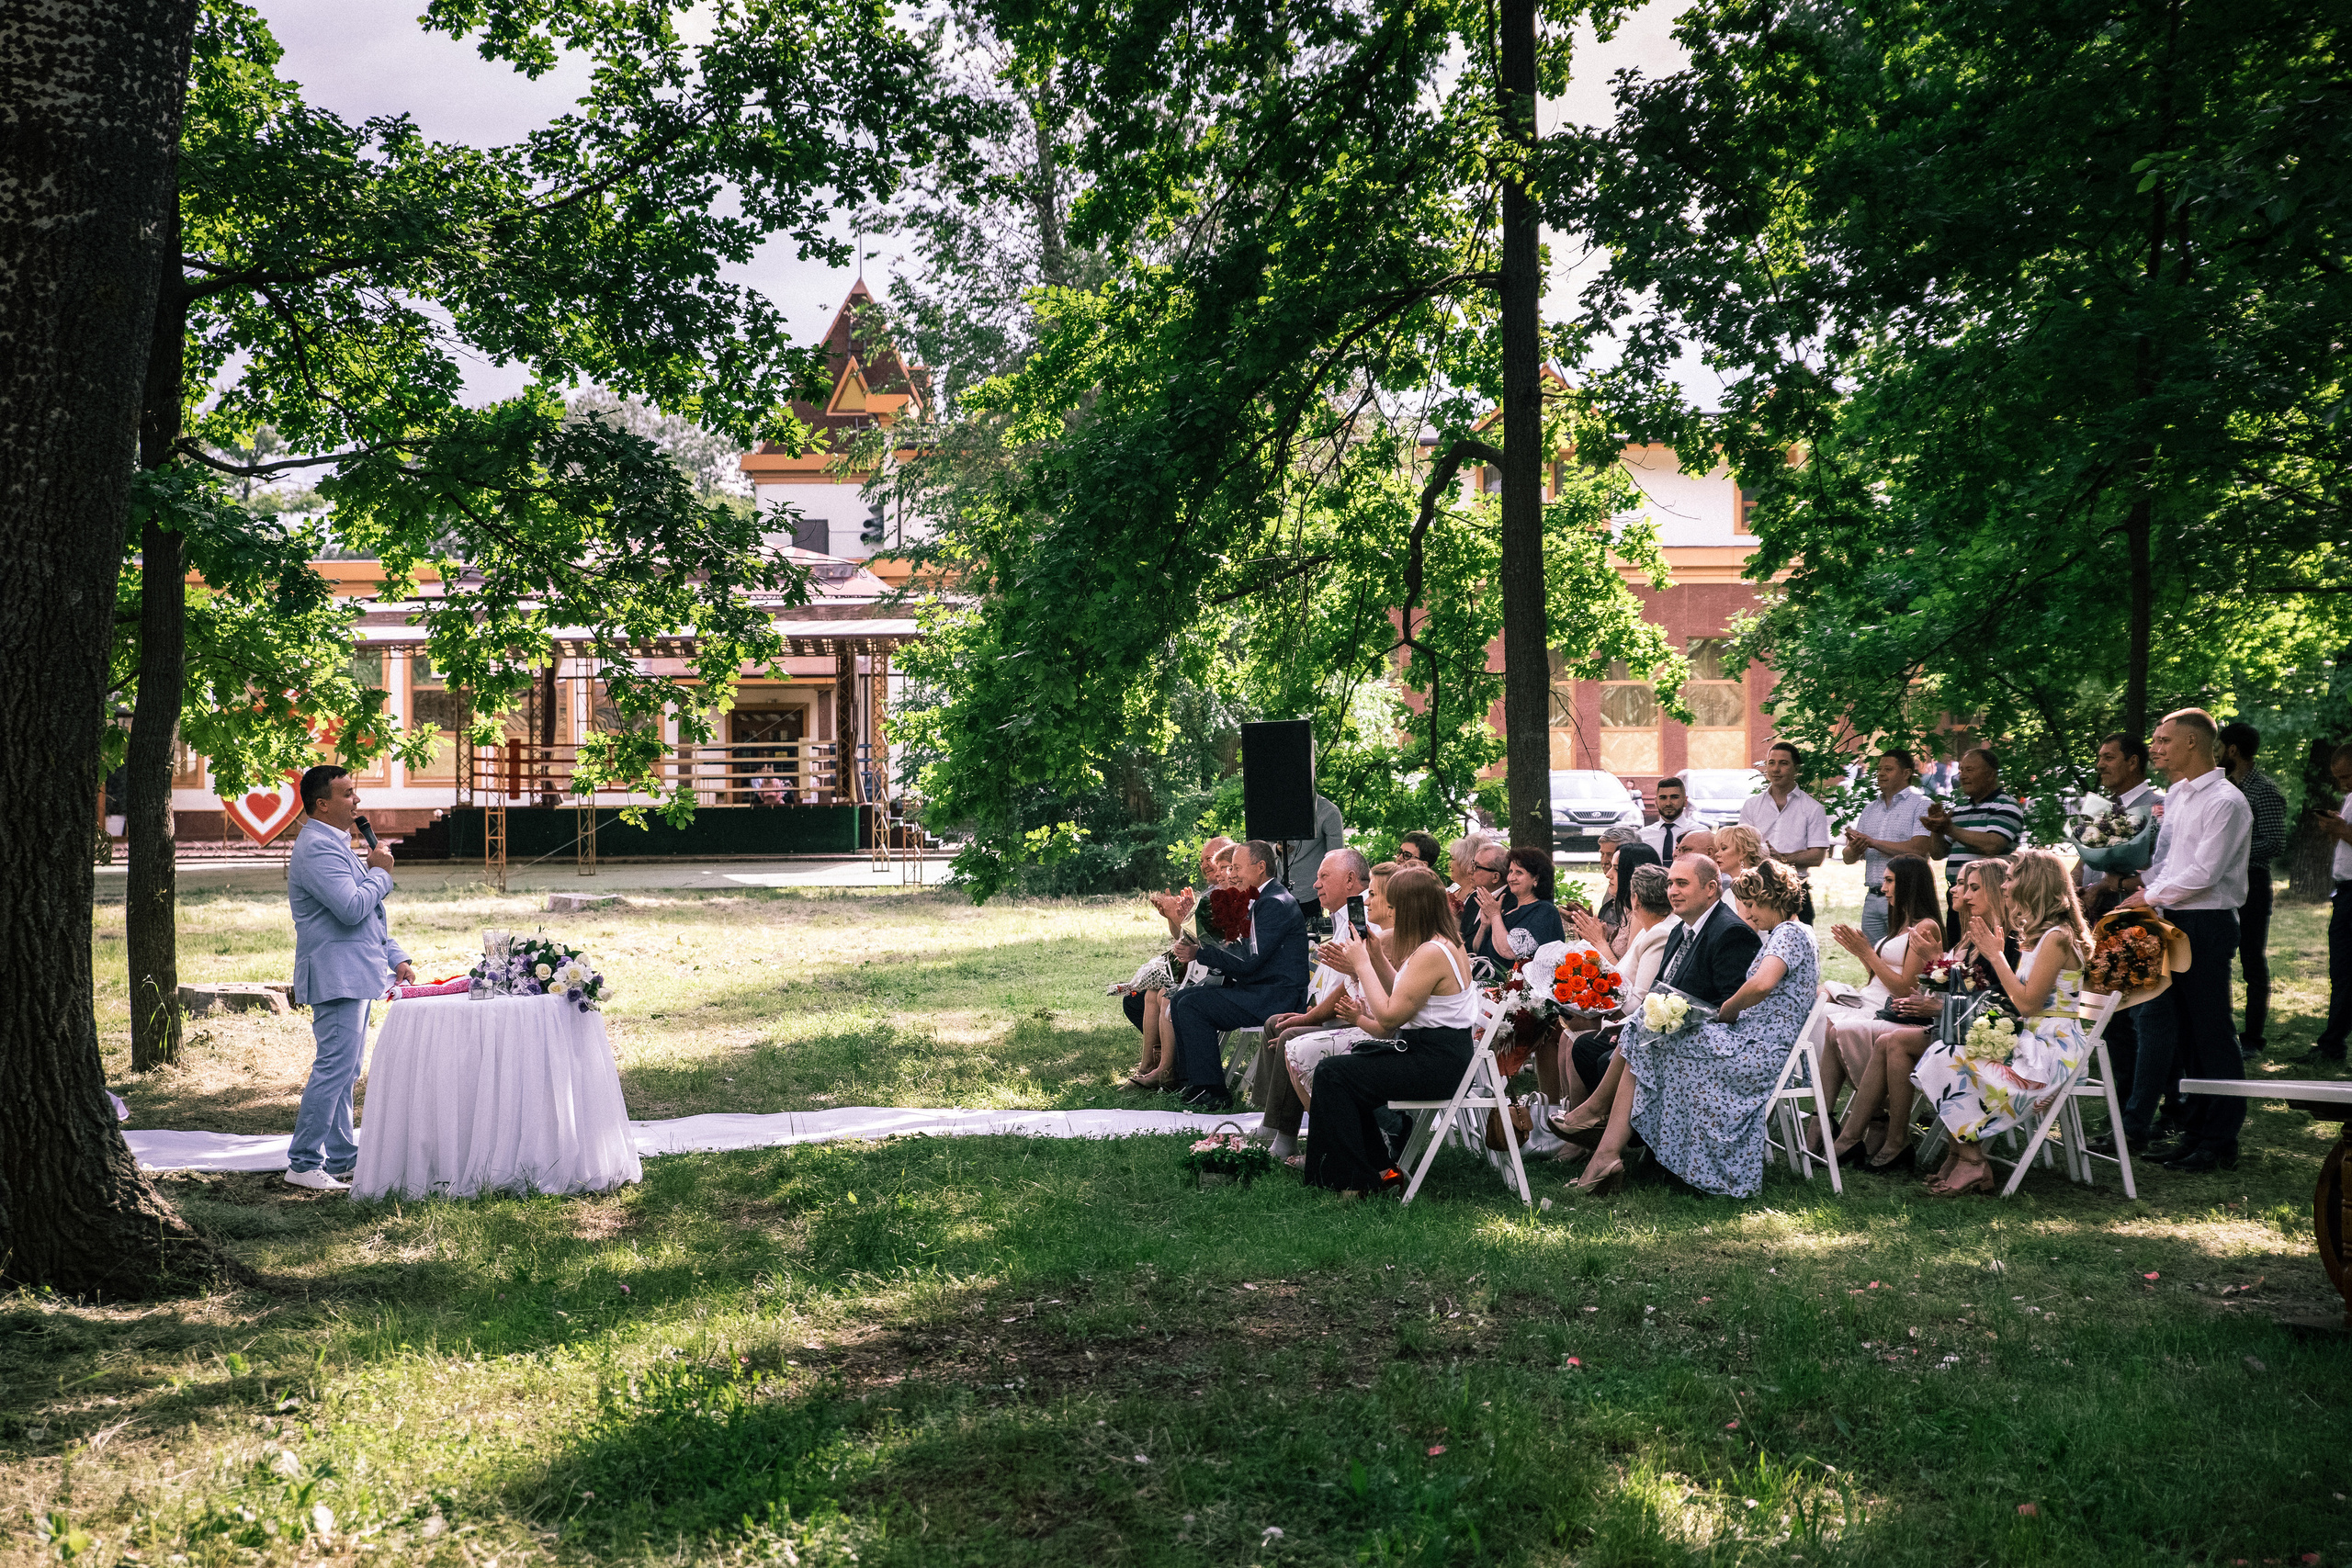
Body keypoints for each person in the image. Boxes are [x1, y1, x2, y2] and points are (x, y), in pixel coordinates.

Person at [1569, 859, 1818, 1197]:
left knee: (1649, 1033)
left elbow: (1762, 984)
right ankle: (1606, 1149)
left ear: (1772, 899)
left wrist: (1728, 1009)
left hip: (1757, 1053)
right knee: (1649, 1031)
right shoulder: (1795, 933)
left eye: (1751, 903)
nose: (1748, 913)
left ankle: (1602, 1140)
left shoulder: (1789, 933)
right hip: (1751, 1043)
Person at [1548, 852, 1764, 1151]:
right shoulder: (1681, 929)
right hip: (1669, 1032)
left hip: (1710, 1043)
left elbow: (1734, 1008)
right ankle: (1606, 1135)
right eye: (1671, 883)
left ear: (1711, 888)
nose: (1672, 891)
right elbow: (1661, 992)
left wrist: (1655, 1027)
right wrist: (1632, 1027)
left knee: (1608, 1054)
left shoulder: (1731, 933)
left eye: (1682, 884)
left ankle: (1614, 1132)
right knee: (1588, 1048)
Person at [2117, 708, 2255, 1172]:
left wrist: (2148, 895)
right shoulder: (2176, 794)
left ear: (2192, 743)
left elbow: (2204, 872)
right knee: (2183, 1032)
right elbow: (2168, 857)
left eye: (2162, 740)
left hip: (2206, 923)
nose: (2153, 748)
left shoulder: (2225, 800)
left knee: (2211, 1030)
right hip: (2169, 917)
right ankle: (2193, 1130)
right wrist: (2141, 881)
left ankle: (2220, 1139)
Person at [1912, 849, 2095, 1196]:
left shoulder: (2057, 937)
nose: (2005, 885)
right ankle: (1963, 1155)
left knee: (1946, 1057)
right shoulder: (2039, 936)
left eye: (2011, 878)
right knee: (1943, 1052)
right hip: (2033, 1037)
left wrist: (1997, 957)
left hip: (2051, 1050)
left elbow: (2026, 1004)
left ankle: (1971, 1160)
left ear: (2032, 883)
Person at [1303, 868, 1481, 1195]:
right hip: (1434, 1054)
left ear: (1412, 908)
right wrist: (1374, 956)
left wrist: (1361, 965)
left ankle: (1356, 1180)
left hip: (1437, 1063)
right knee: (1342, 1071)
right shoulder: (1439, 943)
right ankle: (1376, 1170)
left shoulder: (1431, 953)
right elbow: (1400, 996)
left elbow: (1387, 1018)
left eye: (1396, 906)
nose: (1392, 913)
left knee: (1333, 1073)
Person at [284, 765, 414, 1192]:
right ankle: (303, 1162)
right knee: (333, 1068)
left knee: (346, 1070)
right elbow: (351, 908)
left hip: (358, 972)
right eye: (347, 794)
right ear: (322, 804)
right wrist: (380, 872)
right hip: (335, 975)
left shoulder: (336, 843)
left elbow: (368, 921)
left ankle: (343, 1158)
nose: (356, 801)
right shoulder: (316, 848)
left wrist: (396, 958)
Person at [1250, 850, 1379, 1159]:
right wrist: (1309, 1013)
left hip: (1358, 1018)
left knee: (1291, 1034)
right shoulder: (1342, 916)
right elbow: (1334, 982)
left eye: (1324, 876)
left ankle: (1284, 1138)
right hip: (1337, 1013)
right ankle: (1272, 1122)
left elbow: (1349, 990)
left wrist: (1309, 1020)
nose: (1316, 884)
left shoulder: (1359, 918)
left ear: (1349, 880)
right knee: (1274, 1023)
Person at [1820, 854, 1945, 1168]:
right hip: (1873, 999)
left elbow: (1906, 989)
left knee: (1836, 1025)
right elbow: (1877, 977)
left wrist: (1867, 953)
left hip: (1895, 1011)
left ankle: (1864, 1120)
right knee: (1821, 1009)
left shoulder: (1925, 926)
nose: (1883, 887)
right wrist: (1863, 954)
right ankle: (1830, 1120)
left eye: (1889, 881)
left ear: (1908, 885)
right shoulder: (1899, 924)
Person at [1168, 840, 1311, 1110]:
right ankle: (1191, 1083)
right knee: (1182, 999)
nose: (1231, 874)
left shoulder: (1275, 903)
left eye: (1236, 867)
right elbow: (1243, 952)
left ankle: (1212, 1091)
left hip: (1273, 998)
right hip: (1257, 988)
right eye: (1230, 868)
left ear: (1260, 867)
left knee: (1192, 1006)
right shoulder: (1262, 898)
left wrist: (1200, 953)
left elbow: (1248, 961)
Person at [1547, 862, 1675, 1110]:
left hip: (1633, 1021)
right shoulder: (1647, 930)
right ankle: (1567, 1113)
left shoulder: (1660, 934)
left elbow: (1638, 998)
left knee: (1576, 1037)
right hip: (1618, 1013)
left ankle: (1582, 1123)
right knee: (1567, 1033)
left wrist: (1595, 1008)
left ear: (1635, 899)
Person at [2218, 721, 2287, 1057]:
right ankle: (2225, 1032)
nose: (2214, 753)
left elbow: (2275, 842)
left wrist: (2233, 851)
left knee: (2252, 962)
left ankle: (2254, 1039)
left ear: (2232, 750)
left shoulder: (2264, 790)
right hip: (2225, 883)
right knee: (2223, 959)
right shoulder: (2222, 787)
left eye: (2218, 747)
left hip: (2254, 884)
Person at [1842, 749, 1934, 943]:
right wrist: (1854, 848)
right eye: (1879, 769)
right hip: (1873, 896)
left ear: (1906, 773)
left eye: (1888, 769)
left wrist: (1872, 842)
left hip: (1905, 898)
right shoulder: (1869, 809)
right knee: (1873, 959)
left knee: (1905, 957)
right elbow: (1848, 858)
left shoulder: (1921, 804)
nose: (1881, 773)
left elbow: (1919, 849)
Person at [1924, 746, 2025, 912]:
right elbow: (1937, 853)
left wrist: (1949, 829)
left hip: (1990, 897)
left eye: (1969, 770)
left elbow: (1992, 845)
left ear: (1991, 775)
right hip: (1957, 896)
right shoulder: (1960, 809)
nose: (1962, 776)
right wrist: (1936, 828)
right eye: (1961, 770)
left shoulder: (2006, 805)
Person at [1741, 740, 1832, 920]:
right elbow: (1742, 848)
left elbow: (1817, 856)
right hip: (1758, 889)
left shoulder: (1813, 808)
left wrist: (1781, 858)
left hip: (1795, 891)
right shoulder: (1751, 806)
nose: (1776, 769)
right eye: (1771, 763)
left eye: (1783, 763)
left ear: (1796, 769)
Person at [2303, 744, 2352, 1065]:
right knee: (2342, 971)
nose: (2343, 784)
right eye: (2338, 778)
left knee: (2346, 971)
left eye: (2347, 776)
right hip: (2345, 890)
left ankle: (2332, 1045)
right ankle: (2332, 1043)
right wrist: (2338, 827)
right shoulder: (2350, 797)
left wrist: (2343, 830)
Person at [1466, 846, 1568, 976]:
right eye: (1510, 871)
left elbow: (1509, 951)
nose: (1511, 878)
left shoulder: (1544, 911)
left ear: (1536, 879)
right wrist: (1484, 926)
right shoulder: (1507, 909)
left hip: (1514, 992)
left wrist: (1494, 915)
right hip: (1484, 987)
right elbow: (1478, 949)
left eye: (1519, 873)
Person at [1586, 840, 1661, 960]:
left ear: (1634, 872)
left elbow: (1627, 975)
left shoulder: (1641, 915)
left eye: (1617, 869)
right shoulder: (1628, 907)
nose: (1608, 874)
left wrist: (1600, 942)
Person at [1279, 793, 1350, 919]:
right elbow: (1262, 844)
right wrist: (1277, 849)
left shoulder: (1329, 812)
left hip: (1311, 894)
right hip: (1279, 891)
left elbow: (1336, 858)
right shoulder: (1275, 806)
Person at [1710, 826, 1764, 919]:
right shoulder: (1729, 892)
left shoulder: (1750, 889)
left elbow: (1745, 931)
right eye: (1717, 849)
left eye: (1723, 848)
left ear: (1743, 852)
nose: (1717, 854)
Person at [1638, 775, 1693, 862]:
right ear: (1656, 802)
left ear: (1685, 801)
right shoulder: (1642, 836)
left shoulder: (1699, 833)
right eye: (1663, 798)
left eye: (1674, 797)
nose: (1668, 803)